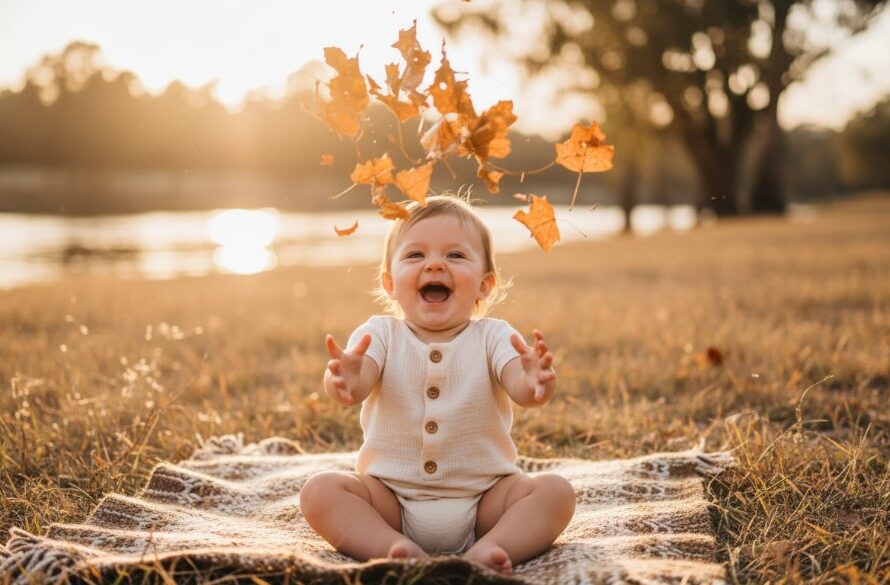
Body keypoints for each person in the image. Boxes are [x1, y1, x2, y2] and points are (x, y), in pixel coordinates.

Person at [299, 195, 575, 574]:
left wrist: (534, 382)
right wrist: (342, 379)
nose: (434, 264)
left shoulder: (494, 337)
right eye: (415, 255)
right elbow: (357, 381)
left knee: (555, 492)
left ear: (485, 285)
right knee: (320, 491)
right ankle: (392, 546)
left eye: (456, 256)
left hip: (486, 502)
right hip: (390, 500)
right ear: (390, 283)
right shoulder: (380, 333)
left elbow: (522, 389)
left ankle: (493, 547)